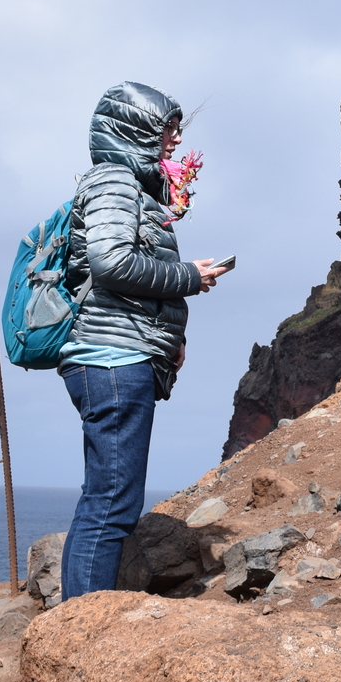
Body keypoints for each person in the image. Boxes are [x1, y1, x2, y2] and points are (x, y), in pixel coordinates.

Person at [56, 82, 229, 599]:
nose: (175, 139)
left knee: (105, 498)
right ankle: (80, 627)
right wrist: (189, 277)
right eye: (166, 129)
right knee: (112, 503)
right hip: (112, 360)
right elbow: (111, 264)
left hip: (117, 355)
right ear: (133, 129)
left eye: (176, 129)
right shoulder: (114, 182)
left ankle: (74, 618)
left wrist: (168, 336)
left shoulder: (130, 185)